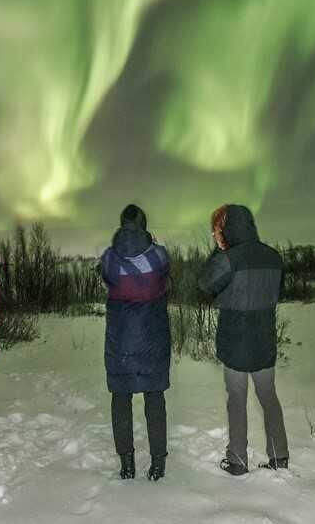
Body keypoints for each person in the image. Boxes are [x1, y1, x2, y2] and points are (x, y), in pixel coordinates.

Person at [200, 203, 289, 476]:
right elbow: (279, 293)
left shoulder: (229, 259)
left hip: (235, 343)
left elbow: (205, 283)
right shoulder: (274, 257)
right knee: (269, 398)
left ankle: (237, 460)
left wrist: (219, 247)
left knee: (236, 400)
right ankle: (279, 457)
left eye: (218, 229)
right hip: (264, 342)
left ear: (226, 228)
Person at [100, 203, 171, 481]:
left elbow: (107, 278)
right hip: (153, 340)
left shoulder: (109, 258)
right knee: (154, 397)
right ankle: (158, 463)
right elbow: (164, 274)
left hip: (121, 343)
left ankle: (126, 463)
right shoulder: (159, 256)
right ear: (144, 224)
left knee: (121, 398)